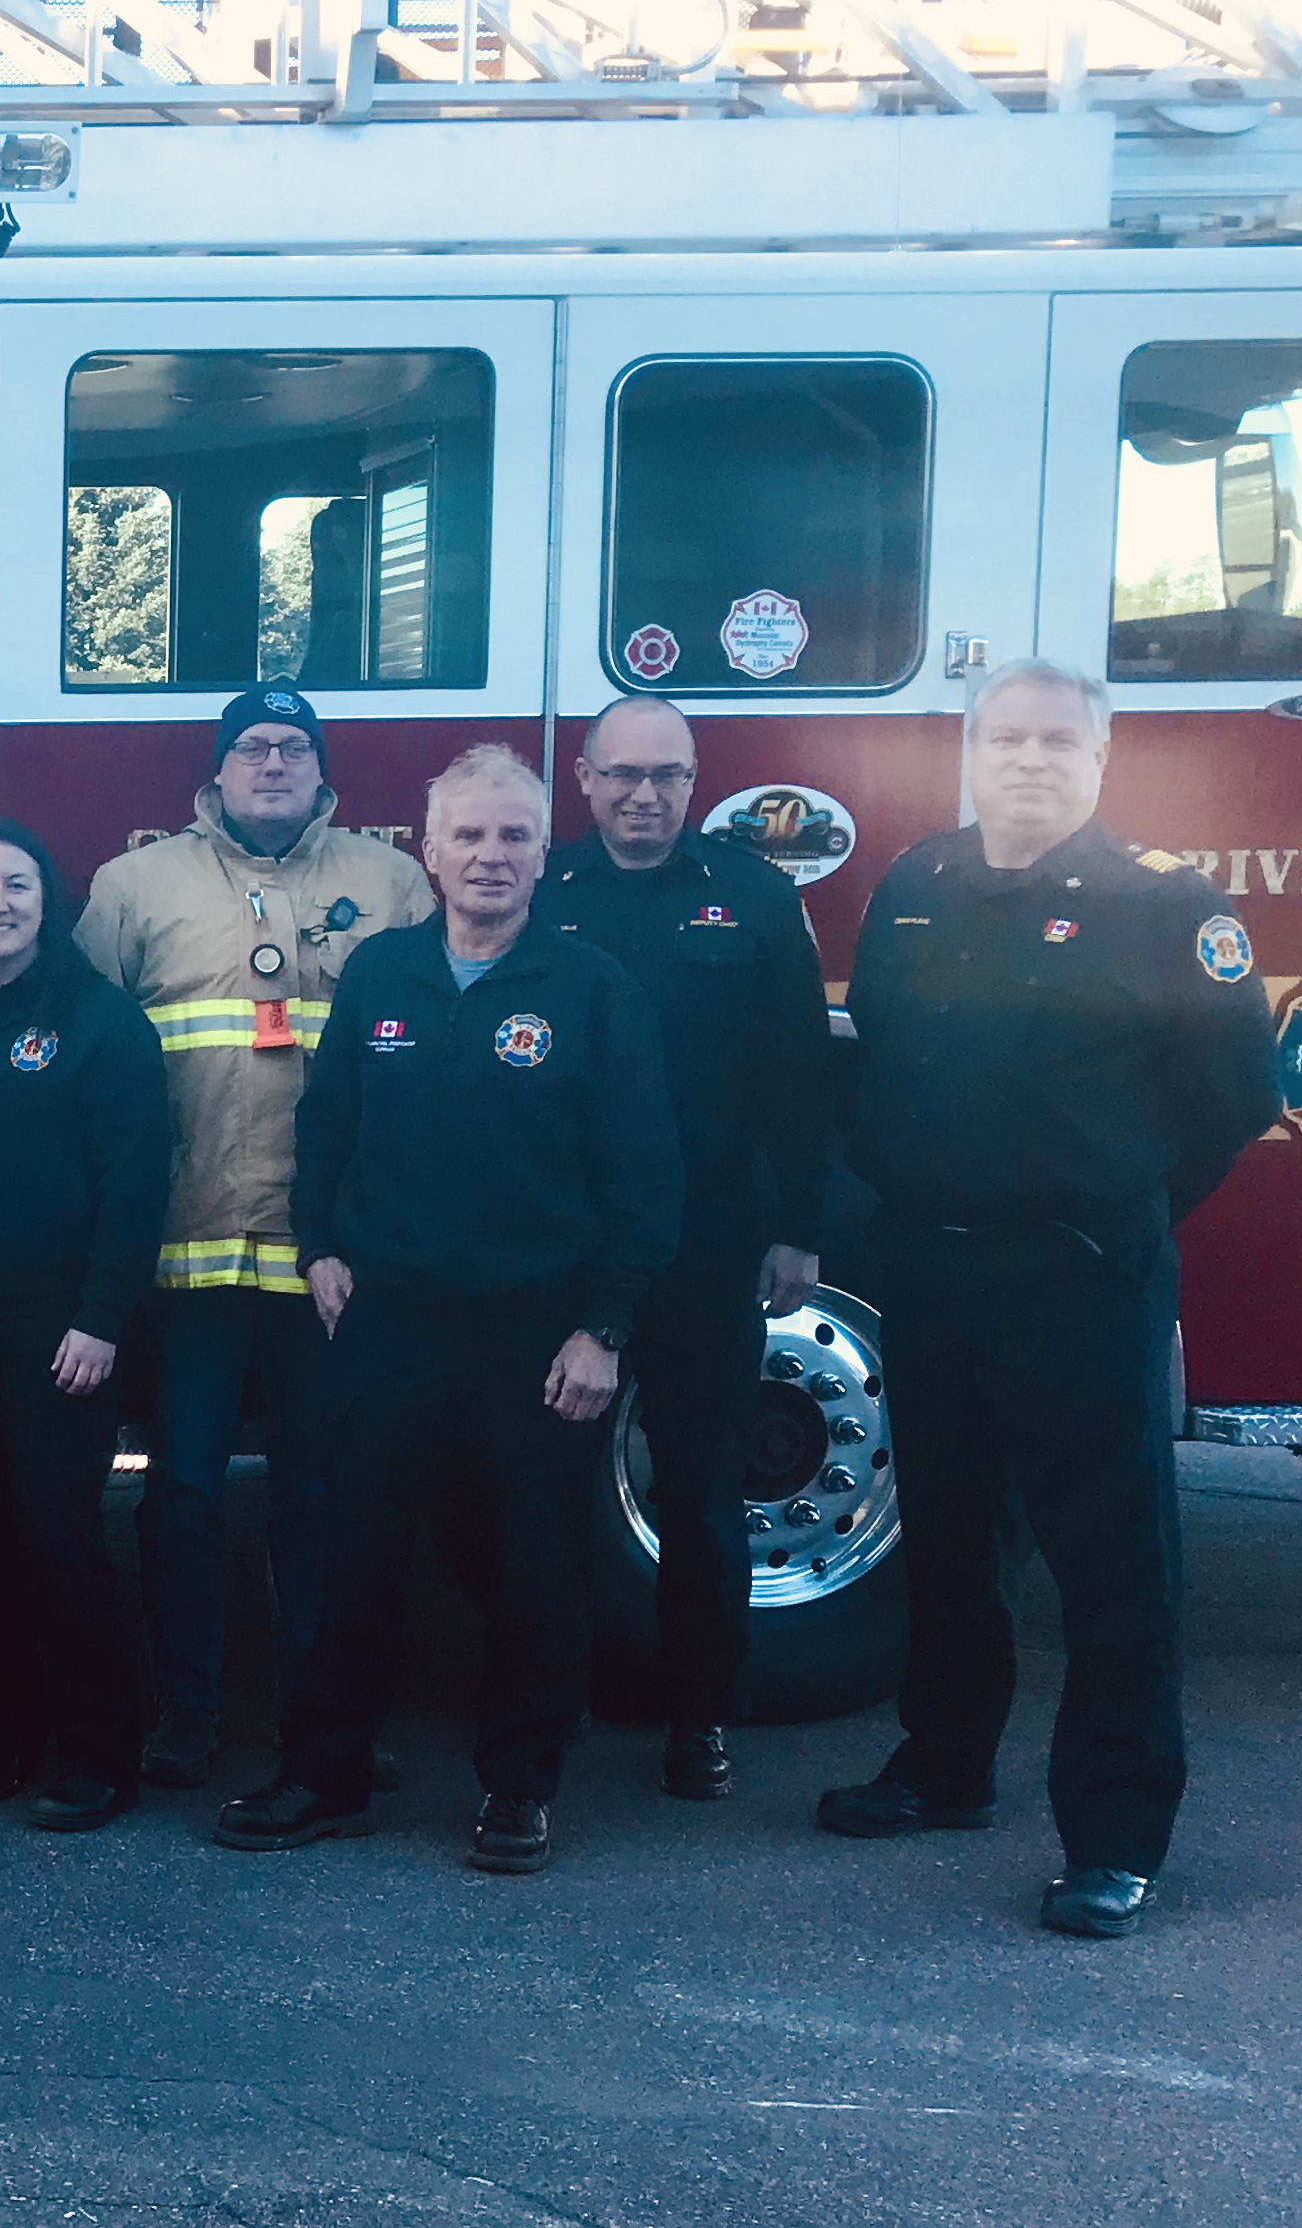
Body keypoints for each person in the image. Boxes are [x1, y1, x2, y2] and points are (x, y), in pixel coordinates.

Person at [820, 659, 1276, 1939]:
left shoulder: (1161, 904)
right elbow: (884, 1061)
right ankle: (944, 1764)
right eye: (1005, 737)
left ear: (1098, 758)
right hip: (928, 1268)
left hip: (1078, 1281)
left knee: (1110, 1567)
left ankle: (1115, 1834)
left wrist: (1106, 1212)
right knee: (951, 1542)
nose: (1027, 758)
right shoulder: (917, 886)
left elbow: (1231, 1099)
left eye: (1055, 741)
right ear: (970, 750)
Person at [216, 744, 680, 1876]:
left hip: (535, 1333)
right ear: (424, 853)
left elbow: (642, 1170)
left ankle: (518, 1788)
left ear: (539, 853)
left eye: (512, 835)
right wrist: (317, 1246)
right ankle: (322, 1775)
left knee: (533, 1562)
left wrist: (603, 1326)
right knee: (355, 1552)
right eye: (466, 835)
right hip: (386, 1321)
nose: (488, 856)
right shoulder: (380, 973)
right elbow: (324, 1125)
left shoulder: (590, 990)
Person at [74, 687, 433, 1789]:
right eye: (249, 748)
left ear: (321, 773)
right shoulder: (133, 887)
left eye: (290, 748)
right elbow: (82, 1057)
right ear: (215, 771)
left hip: (331, 1258)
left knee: (323, 1497)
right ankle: (184, 1716)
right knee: (179, 1490)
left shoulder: (389, 881)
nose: (269, 763)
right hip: (187, 1253)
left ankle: (323, 1721)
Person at [533, 696, 835, 1800]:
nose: (642, 795)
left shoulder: (751, 898)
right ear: (582, 776)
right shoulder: (541, 891)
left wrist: (798, 1223)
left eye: (665, 775)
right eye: (621, 774)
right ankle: (548, 1701)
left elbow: (798, 1074)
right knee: (549, 1491)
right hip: (564, 1241)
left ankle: (698, 1715)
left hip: (706, 1238)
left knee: (701, 1494)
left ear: (695, 780)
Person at [0, 819, 173, 1831]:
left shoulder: (99, 1022)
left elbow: (134, 1184)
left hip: (57, 1332)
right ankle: (1, 1732)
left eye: (16, 884)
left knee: (58, 1537)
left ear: (47, 900)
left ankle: (98, 1752)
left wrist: (102, 1317)